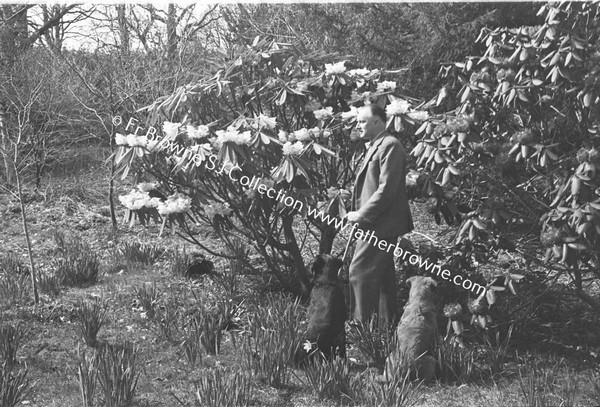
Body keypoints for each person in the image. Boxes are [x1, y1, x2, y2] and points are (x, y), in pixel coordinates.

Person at [344, 104, 414, 328]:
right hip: (376, 222)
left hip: (380, 224)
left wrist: (362, 214)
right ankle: (386, 330)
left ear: (377, 122)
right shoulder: (376, 145)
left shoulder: (390, 145)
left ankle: (361, 330)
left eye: (362, 121)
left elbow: (387, 189)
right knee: (383, 277)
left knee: (359, 271)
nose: (358, 125)